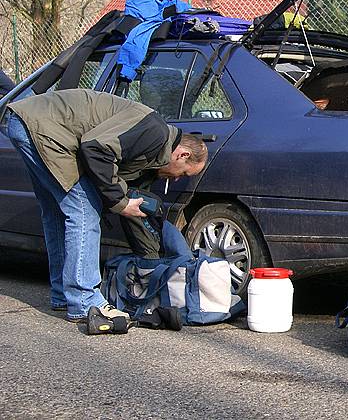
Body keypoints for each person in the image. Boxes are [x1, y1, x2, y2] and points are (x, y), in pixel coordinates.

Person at [0, 88, 207, 323]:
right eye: (184, 173)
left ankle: (63, 296)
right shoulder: (155, 133)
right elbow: (95, 147)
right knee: (84, 211)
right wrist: (120, 202)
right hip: (45, 129)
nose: (178, 179)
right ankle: (85, 300)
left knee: (57, 213)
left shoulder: (154, 144)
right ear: (182, 154)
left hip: (27, 120)